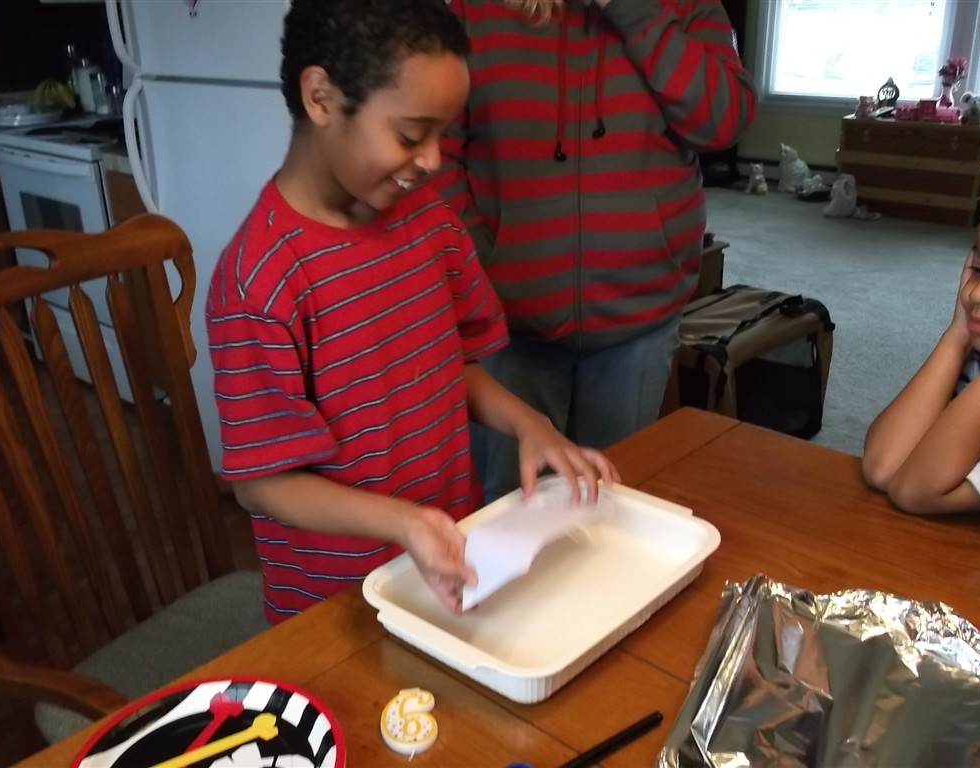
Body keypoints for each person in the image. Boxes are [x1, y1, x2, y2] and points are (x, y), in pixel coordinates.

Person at [205, 0, 619, 625]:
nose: (432, 160)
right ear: (321, 98)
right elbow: (260, 482)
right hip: (335, 605)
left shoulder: (430, 223)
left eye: (442, 134)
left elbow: (450, 365)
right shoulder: (260, 281)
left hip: (450, 566)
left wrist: (530, 423)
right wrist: (401, 522)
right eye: (410, 135)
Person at [429, 0, 757, 502]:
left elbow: (725, 121)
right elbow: (437, 149)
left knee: (614, 502)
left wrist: (632, 10)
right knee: (510, 508)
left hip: (640, 314)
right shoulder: (473, 10)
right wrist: (481, 265)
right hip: (504, 321)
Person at [862, 211, 980, 515]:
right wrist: (956, 337)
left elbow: (912, 490)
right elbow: (882, 466)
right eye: (978, 269)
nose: (977, 292)